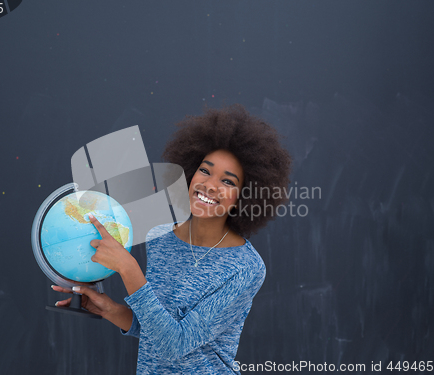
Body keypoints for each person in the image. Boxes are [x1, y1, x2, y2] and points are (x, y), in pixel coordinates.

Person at [53, 104, 292, 374]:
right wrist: (109, 310)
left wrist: (128, 269)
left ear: (245, 196)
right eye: (205, 170)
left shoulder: (246, 268)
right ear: (189, 172)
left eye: (228, 182)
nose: (210, 185)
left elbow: (175, 345)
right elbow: (157, 329)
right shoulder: (160, 236)